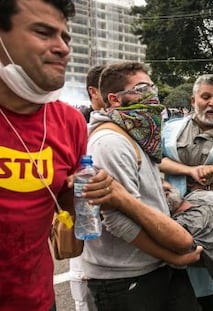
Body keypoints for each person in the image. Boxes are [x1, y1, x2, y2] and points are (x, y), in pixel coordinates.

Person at [0, 1, 113, 310]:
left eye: (66, 37)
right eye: (43, 32)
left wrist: (84, 189)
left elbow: (64, 202)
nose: (62, 48)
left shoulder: (69, 122)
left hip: (38, 301)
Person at [81, 61, 202, 311]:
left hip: (154, 268)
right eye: (141, 89)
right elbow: (116, 220)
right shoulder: (111, 142)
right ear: (114, 99)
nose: (152, 95)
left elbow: (146, 192)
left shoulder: (137, 133)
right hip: (124, 278)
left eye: (152, 87)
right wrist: (174, 256)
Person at [160, 73, 213, 310]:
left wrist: (212, 185)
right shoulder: (171, 128)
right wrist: (191, 171)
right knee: (167, 275)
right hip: (168, 212)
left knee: (201, 281)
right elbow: (157, 159)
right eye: (205, 97)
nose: (212, 103)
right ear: (193, 100)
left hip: (209, 217)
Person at [70, 64, 107, 311]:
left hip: (113, 252)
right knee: (85, 300)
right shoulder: (82, 132)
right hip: (88, 239)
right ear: (93, 92)